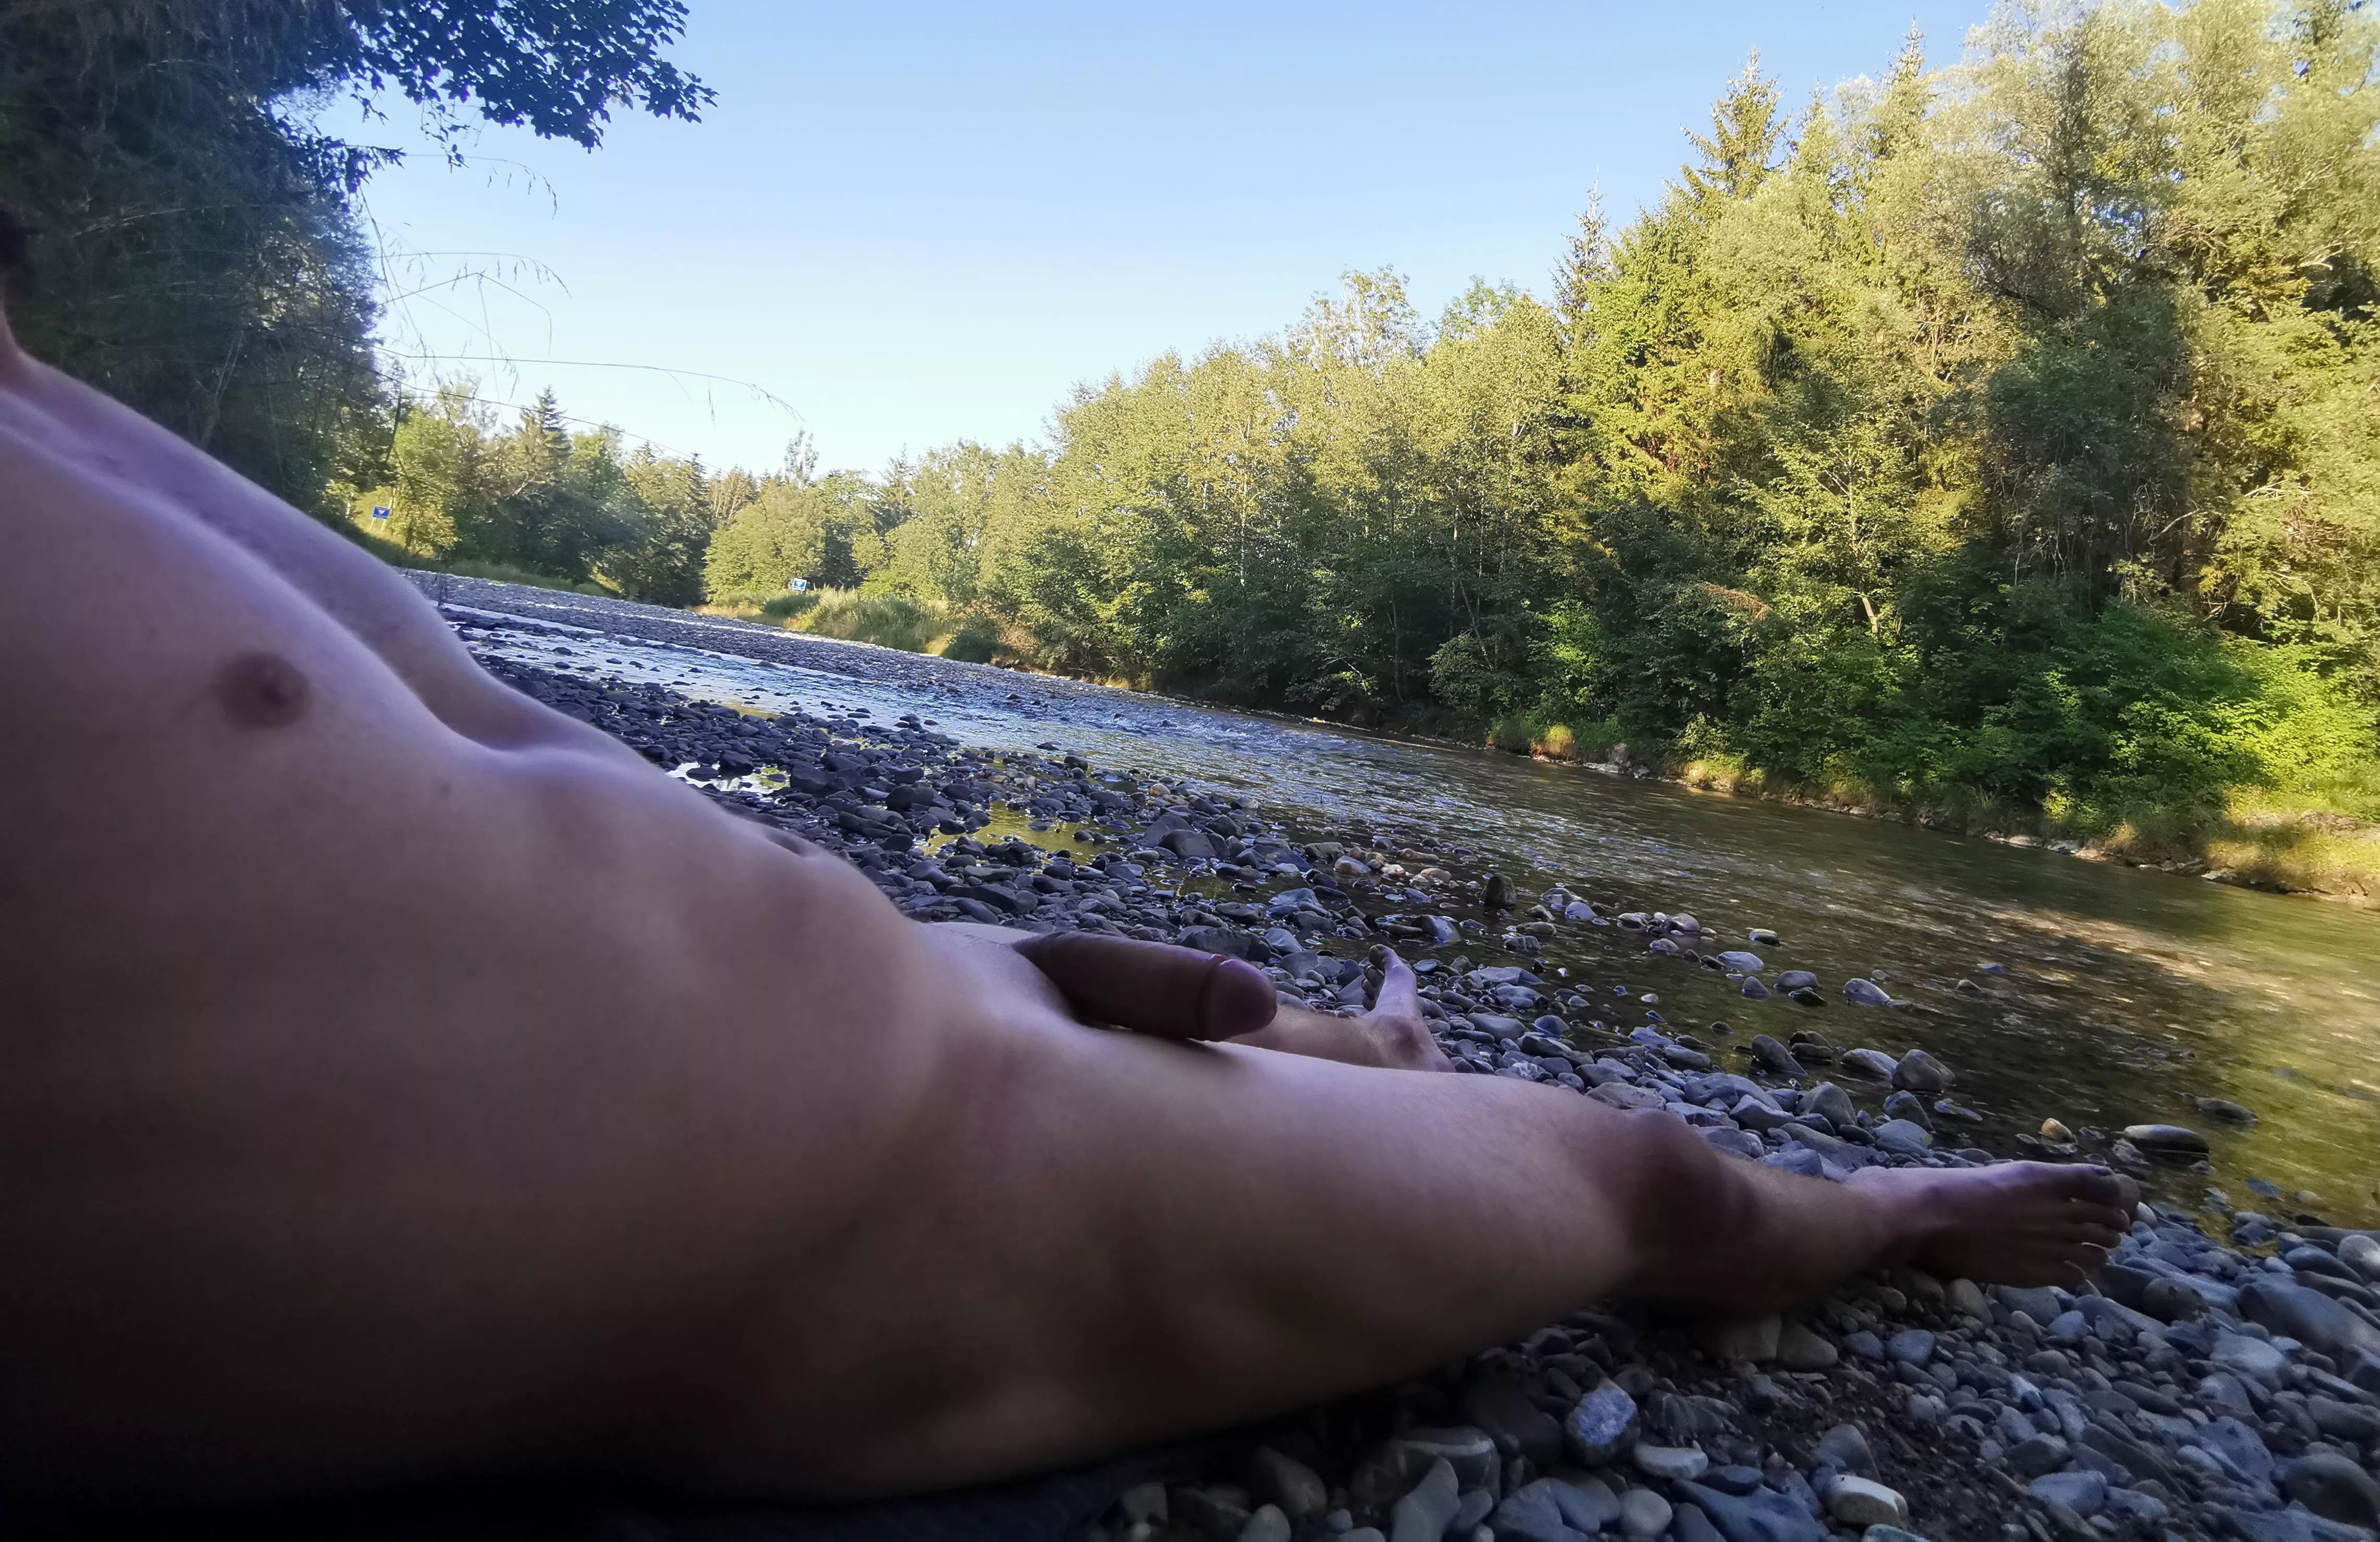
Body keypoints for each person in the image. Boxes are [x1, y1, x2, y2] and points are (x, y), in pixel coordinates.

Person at [0, 303, 2132, 1509]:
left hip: (898, 1007)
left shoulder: (55, 411)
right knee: (1641, 1167)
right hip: (894, 1220)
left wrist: (953, 943)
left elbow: (474, 803)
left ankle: (1351, 1039)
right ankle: (1880, 1209)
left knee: (1197, 1006)